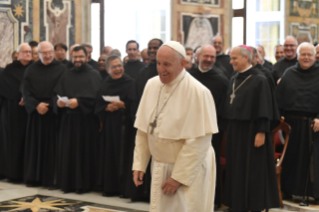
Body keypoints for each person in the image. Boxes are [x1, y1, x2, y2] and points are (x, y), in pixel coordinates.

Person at [132, 41, 218, 212]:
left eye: (167, 64)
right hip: (160, 164)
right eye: (158, 63)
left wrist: (179, 176)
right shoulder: (151, 85)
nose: (161, 69)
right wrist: (140, 163)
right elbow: (143, 130)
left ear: (182, 64)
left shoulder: (198, 92)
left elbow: (200, 141)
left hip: (188, 168)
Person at [222, 45, 280, 212]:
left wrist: (262, 131)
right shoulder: (234, 77)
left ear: (245, 58)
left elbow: (265, 107)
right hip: (235, 129)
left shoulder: (260, 80)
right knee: (235, 167)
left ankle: (253, 206)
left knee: (252, 169)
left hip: (253, 130)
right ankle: (237, 205)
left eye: (234, 58)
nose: (231, 61)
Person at [276, 42, 319, 204]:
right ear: (298, 56)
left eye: (309, 54)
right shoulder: (289, 73)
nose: (306, 58)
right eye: (303, 54)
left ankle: (314, 193)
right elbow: (278, 99)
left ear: (315, 56)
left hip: (314, 125)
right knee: (292, 160)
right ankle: (290, 190)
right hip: (292, 125)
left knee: (313, 162)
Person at [55, 46, 102, 193]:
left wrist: (80, 103)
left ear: (87, 56)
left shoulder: (94, 74)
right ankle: (68, 184)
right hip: (69, 122)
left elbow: (98, 100)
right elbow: (57, 94)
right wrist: (58, 103)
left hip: (86, 122)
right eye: (75, 57)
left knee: (84, 153)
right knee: (69, 153)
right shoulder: (66, 74)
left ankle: (85, 184)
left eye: (80, 57)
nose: (77, 60)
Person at [188, 44, 228, 207]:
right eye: (206, 56)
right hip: (188, 129)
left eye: (212, 57)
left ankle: (213, 200)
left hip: (211, 130)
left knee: (210, 164)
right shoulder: (187, 77)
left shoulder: (221, 79)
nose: (209, 60)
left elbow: (223, 108)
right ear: (197, 57)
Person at [22, 41, 67, 187]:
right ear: (38, 54)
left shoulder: (62, 69)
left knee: (52, 148)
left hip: (53, 114)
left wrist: (51, 105)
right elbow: (25, 92)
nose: (47, 56)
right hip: (36, 113)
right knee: (35, 146)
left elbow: (63, 90)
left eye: (50, 52)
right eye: (44, 53)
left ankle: (51, 179)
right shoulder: (31, 70)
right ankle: (34, 177)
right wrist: (36, 105)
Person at [124, 38, 163, 202]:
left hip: (163, 125)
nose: (152, 50)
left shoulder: (166, 72)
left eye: (156, 48)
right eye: (150, 48)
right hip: (145, 123)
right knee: (142, 156)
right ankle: (140, 191)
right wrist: (138, 115)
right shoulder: (144, 72)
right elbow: (135, 98)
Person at [95, 55, 134, 197]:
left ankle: (124, 188)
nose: (118, 69)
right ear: (107, 69)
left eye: (120, 66)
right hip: (109, 127)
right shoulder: (105, 84)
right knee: (110, 155)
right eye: (114, 67)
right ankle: (110, 187)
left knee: (124, 156)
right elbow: (98, 105)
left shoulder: (130, 83)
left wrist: (123, 105)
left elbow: (136, 105)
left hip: (125, 127)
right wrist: (106, 108)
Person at [0, 43, 32, 182]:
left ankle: (28, 174)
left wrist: (27, 98)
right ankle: (13, 173)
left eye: (29, 52)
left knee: (29, 142)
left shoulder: (34, 68)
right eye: (24, 52)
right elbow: (6, 87)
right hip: (13, 110)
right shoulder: (9, 69)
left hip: (30, 110)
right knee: (13, 142)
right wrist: (20, 97)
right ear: (18, 54)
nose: (27, 54)